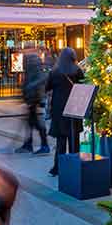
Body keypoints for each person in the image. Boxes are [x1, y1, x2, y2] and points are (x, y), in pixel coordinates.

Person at [45, 48, 84, 177]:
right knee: (74, 140)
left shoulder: (55, 71)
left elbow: (47, 87)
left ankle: (57, 168)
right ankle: (74, 167)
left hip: (59, 110)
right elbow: (83, 86)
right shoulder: (77, 71)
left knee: (60, 142)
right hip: (75, 108)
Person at [16, 49, 50, 155]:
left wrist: (30, 92)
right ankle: (29, 144)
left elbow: (39, 81)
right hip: (33, 100)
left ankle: (43, 145)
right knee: (31, 123)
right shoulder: (32, 66)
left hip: (35, 100)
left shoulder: (33, 65)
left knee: (37, 123)